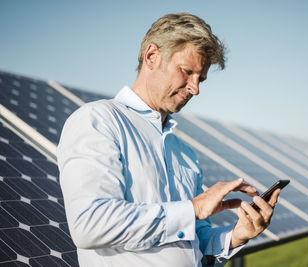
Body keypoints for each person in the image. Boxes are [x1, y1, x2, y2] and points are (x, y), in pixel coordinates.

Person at [57, 12, 280, 267]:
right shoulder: (98, 121)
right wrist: (192, 209)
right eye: (187, 72)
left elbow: (193, 240)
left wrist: (236, 236)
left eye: (201, 78)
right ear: (152, 56)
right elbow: (90, 223)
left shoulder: (183, 152)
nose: (195, 88)